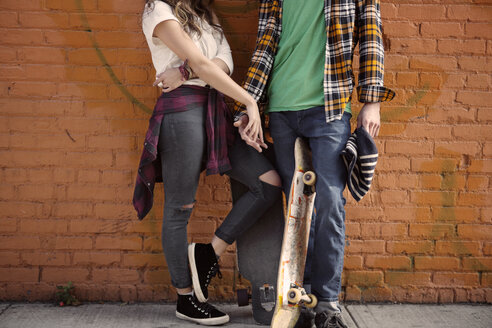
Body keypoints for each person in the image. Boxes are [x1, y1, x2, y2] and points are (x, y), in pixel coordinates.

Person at [234, 1, 395, 327]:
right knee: (296, 207)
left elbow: (371, 37)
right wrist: (247, 105)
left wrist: (372, 100)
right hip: (281, 108)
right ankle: (302, 299)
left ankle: (327, 303)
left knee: (331, 201)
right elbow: (265, 46)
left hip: (330, 108)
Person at [133, 0, 282, 325]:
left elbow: (223, 63)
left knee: (267, 182)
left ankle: (207, 254)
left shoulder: (205, 13)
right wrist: (248, 101)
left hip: (215, 111)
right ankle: (185, 299)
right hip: (182, 110)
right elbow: (202, 61)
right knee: (179, 210)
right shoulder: (157, 9)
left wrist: (186, 70)